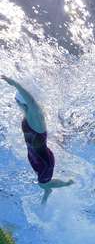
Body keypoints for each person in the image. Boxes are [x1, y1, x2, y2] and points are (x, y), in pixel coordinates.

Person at [1, 75, 74, 204]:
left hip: (44, 161)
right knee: (41, 181)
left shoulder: (35, 115)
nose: (15, 103)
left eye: (16, 101)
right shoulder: (28, 113)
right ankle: (48, 188)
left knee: (43, 185)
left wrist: (15, 84)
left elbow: (32, 102)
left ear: (21, 102)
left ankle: (63, 185)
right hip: (36, 156)